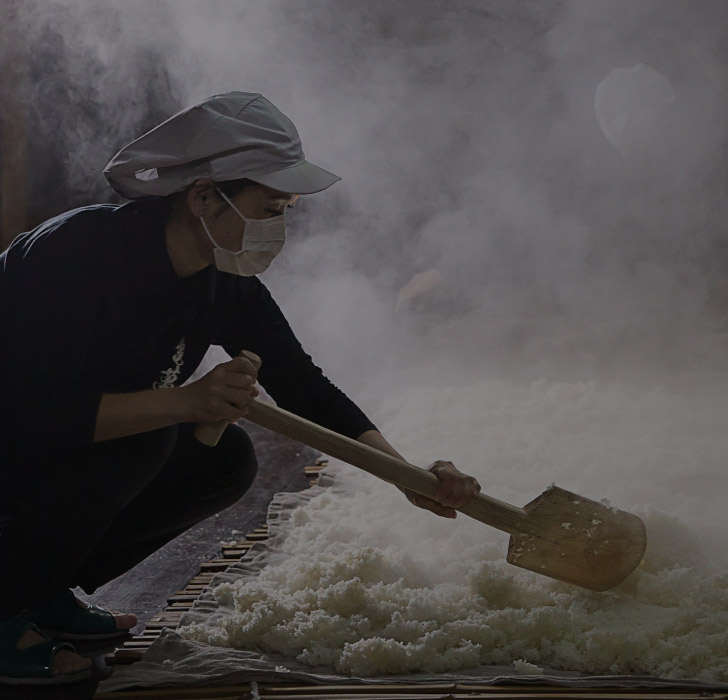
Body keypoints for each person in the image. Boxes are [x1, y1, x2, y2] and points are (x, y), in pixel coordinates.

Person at [0, 92, 481, 685]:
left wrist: (407, 476)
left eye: (285, 210)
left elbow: (304, 384)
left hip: (43, 457)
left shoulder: (221, 280)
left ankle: (35, 590)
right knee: (148, 440)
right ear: (203, 195)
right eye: (269, 207)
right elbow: (31, 416)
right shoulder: (77, 255)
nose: (277, 226)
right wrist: (184, 401)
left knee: (223, 461)